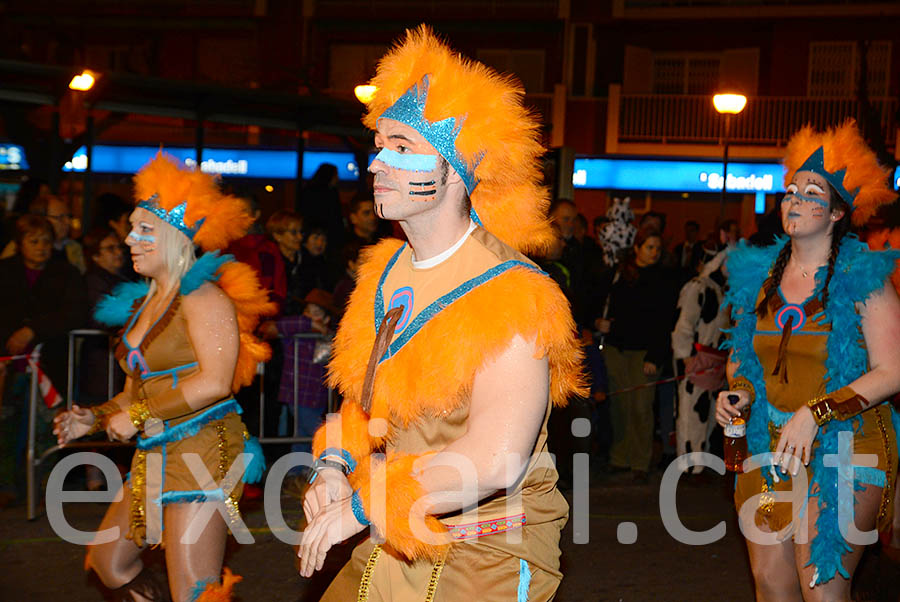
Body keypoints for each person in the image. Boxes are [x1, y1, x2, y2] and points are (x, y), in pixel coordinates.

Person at [297, 26, 586, 599]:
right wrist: (333, 465)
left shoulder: (515, 291)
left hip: (487, 551)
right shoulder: (380, 272)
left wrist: (364, 503)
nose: (377, 163)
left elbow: (497, 457)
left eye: (402, 149)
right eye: (379, 145)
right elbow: (361, 404)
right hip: (393, 532)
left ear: (457, 169)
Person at [52, 153, 275, 601]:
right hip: (152, 451)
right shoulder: (143, 305)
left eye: (144, 230)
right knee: (108, 562)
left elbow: (215, 382)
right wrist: (90, 420)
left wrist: (137, 415)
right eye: (131, 228)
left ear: (176, 235)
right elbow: (133, 392)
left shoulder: (205, 298)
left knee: (193, 592)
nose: (130, 238)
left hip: (201, 451)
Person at [715, 121, 900, 599]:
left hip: (848, 444)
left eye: (811, 192)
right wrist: (738, 392)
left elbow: (894, 371)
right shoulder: (758, 276)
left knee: (818, 584)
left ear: (838, 212)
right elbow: (742, 358)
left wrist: (818, 412)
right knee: (771, 585)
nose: (793, 200)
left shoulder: (866, 278)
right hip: (770, 444)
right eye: (790, 190)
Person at [0, 214, 87, 506]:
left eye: (47, 242)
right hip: (9, 364)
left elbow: (75, 313)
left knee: (47, 427)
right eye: (33, 241)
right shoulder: (5, 271)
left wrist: (33, 329)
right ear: (19, 243)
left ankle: (45, 484)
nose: (41, 247)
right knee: (7, 424)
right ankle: (7, 485)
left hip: (50, 363)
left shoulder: (67, 273)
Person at [596, 225, 679, 482]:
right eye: (649, 247)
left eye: (657, 248)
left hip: (644, 353)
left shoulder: (663, 280)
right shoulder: (620, 274)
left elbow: (665, 322)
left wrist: (656, 356)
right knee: (619, 407)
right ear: (637, 248)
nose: (654, 253)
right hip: (617, 349)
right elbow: (598, 301)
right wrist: (598, 322)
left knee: (642, 409)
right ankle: (619, 458)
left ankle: (640, 462)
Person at [671, 249, 729, 473]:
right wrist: (685, 357)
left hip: (716, 360)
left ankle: (701, 464)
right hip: (697, 359)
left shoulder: (724, 290)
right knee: (690, 414)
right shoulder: (698, 287)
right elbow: (684, 324)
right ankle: (689, 467)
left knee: (710, 414)